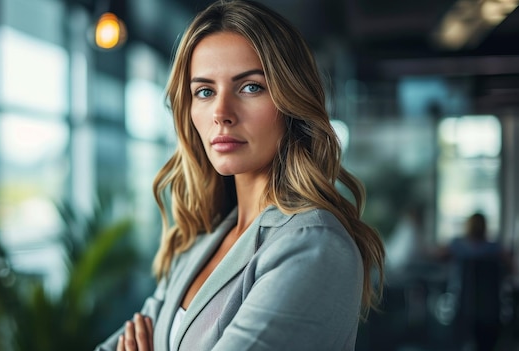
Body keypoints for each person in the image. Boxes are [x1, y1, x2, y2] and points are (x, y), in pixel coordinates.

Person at [95, 1, 385, 350]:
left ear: (291, 99)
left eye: (250, 87)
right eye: (204, 91)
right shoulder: (200, 244)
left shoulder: (314, 244)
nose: (221, 113)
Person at [439, 213, 513, 351]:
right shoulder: (495, 248)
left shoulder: (458, 246)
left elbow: (436, 256)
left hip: (463, 309)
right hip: (491, 313)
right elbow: (511, 267)